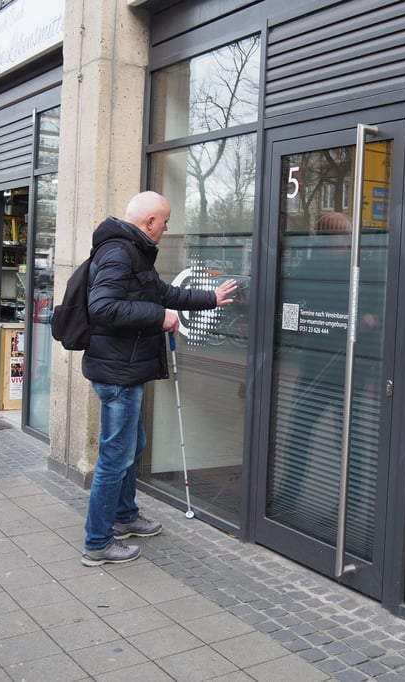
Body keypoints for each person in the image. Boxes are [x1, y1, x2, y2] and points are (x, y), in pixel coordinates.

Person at [80, 191, 237, 566]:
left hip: (123, 368)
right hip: (118, 372)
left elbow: (163, 293)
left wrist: (210, 298)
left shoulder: (134, 251)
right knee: (115, 457)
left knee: (133, 446)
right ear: (150, 221)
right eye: (165, 222)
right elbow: (102, 307)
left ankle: (124, 517)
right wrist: (159, 316)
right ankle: (97, 542)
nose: (167, 228)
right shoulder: (120, 252)